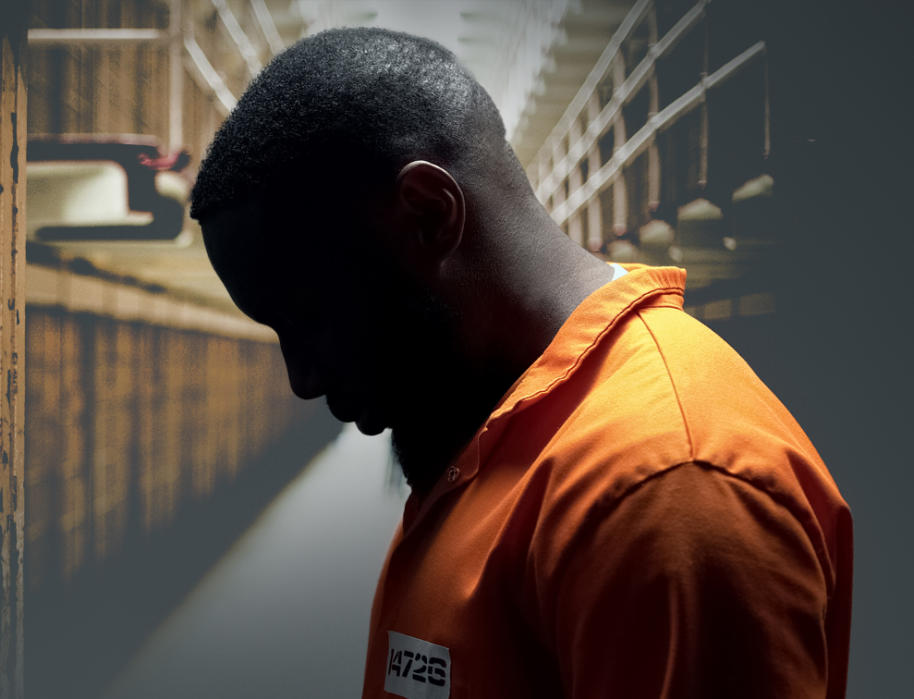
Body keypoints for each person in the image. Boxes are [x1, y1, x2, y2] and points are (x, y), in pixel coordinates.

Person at [189, 27, 852, 699]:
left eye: (309, 318)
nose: (303, 378)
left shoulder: (664, 489)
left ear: (428, 215)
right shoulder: (489, 435)